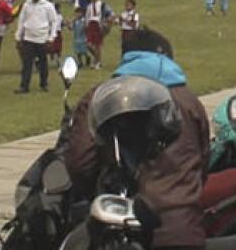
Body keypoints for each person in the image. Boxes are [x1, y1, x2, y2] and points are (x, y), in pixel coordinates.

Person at [65, 28, 210, 249]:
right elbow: (202, 166)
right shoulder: (190, 102)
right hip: (185, 229)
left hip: (124, 230)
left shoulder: (104, 97)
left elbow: (80, 163)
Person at [14, 0, 59, 93]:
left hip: (42, 38)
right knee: (27, 63)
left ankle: (44, 83)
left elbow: (54, 22)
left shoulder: (48, 6)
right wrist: (18, 36)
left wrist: (51, 37)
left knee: (42, 63)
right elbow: (21, 21)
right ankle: (24, 86)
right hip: (28, 37)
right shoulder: (26, 5)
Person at [84, 0, 112, 69]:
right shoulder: (89, 6)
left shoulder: (103, 5)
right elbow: (87, 16)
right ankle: (96, 59)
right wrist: (86, 25)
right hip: (90, 25)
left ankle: (97, 62)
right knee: (89, 45)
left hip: (98, 25)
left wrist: (106, 23)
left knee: (97, 45)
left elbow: (110, 14)